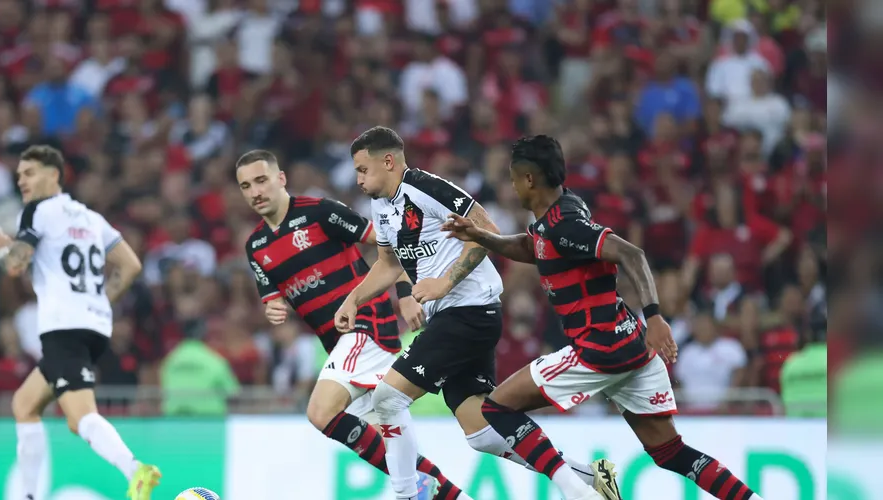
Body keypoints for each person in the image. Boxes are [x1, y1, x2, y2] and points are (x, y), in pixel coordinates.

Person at [442, 134, 765, 500]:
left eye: (514, 178)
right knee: (670, 452)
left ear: (529, 179)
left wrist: (656, 316)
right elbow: (532, 246)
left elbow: (632, 254)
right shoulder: (561, 213)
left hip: (598, 349)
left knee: (497, 407)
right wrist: (481, 236)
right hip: (630, 345)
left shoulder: (566, 226)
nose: (512, 186)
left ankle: (581, 490)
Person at [335, 127, 616, 500]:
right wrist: (354, 299)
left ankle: (406, 494)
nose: (358, 179)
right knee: (481, 430)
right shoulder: (382, 205)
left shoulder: (425, 188)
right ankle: (590, 478)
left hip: (468, 311)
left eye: (362, 169)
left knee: (387, 398)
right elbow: (387, 264)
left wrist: (444, 283)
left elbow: (487, 231)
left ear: (388, 161)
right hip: (452, 316)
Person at [237, 150, 467, 500]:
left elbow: (390, 245)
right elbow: (271, 296)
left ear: (280, 179)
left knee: (319, 412)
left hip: (367, 324)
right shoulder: (256, 246)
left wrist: (404, 292)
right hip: (339, 343)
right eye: (245, 186)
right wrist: (273, 308)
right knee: (394, 452)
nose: (255, 191)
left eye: (261, 180)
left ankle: (411, 489)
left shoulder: (320, 212)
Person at [0, 145, 161, 500]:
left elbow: (17, 264)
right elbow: (131, 265)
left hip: (62, 326)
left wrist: (3, 249)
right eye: (18, 176)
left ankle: (135, 469)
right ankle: (29, 495)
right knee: (25, 404)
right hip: (93, 326)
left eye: (29, 173)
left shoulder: (36, 212)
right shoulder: (91, 218)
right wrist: (99, 303)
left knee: (80, 418)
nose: (22, 181)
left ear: (53, 174)